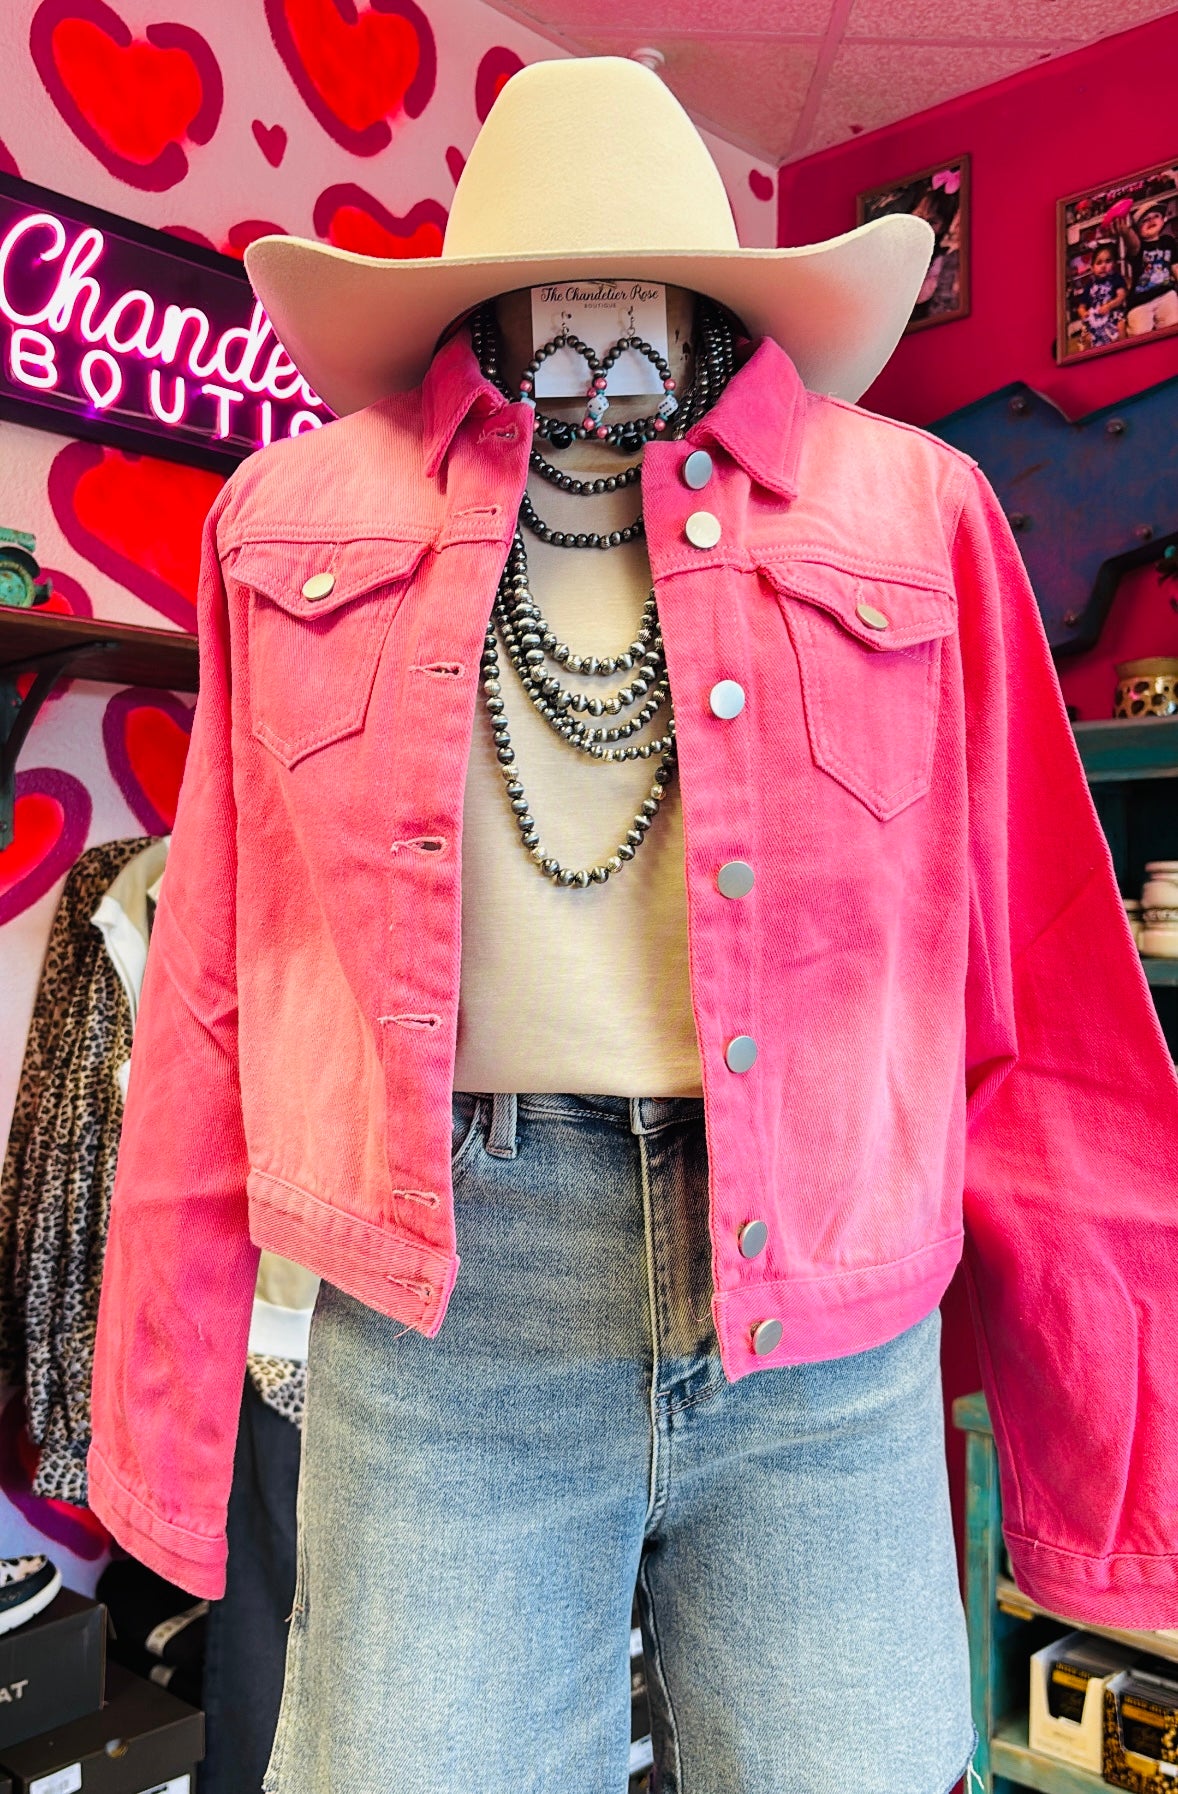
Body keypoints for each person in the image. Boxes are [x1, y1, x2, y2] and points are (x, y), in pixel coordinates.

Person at [87, 56, 1178, 1794]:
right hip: (447, 1320)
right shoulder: (286, 524)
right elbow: (220, 974)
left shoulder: (916, 513)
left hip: (829, 1324)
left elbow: (1040, 978)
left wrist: (1113, 1453)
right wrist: (156, 1427)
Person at [1113, 198, 1178, 334]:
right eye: (1145, 220)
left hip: (1165, 293)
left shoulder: (1168, 241)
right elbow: (1133, 243)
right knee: (1140, 333)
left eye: (1156, 216)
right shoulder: (1138, 246)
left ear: (1163, 220)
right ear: (1137, 230)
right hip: (1139, 301)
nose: (1151, 220)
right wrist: (1126, 232)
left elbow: (1175, 267)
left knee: (1173, 324)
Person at [1076, 240, 1128, 347]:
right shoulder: (1089, 285)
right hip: (1094, 317)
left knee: (1121, 326)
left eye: (1108, 261)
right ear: (1092, 268)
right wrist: (1084, 313)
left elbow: (1121, 296)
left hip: (1112, 313)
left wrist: (1109, 306)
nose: (1103, 266)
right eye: (1099, 263)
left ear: (1114, 264)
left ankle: (1123, 349)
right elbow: (1081, 307)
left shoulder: (1116, 278)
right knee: (1086, 337)